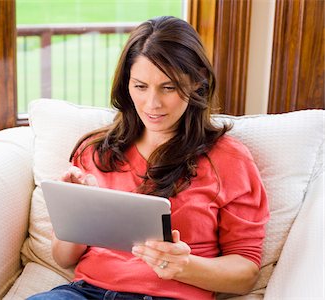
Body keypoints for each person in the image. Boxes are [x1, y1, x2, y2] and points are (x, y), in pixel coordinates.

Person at [29, 16, 269, 300]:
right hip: (84, 293)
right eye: (140, 86)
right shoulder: (96, 150)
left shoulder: (228, 159)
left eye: (168, 87)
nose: (152, 103)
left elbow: (246, 272)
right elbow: (64, 258)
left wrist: (184, 266)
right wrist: (75, 210)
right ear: (126, 86)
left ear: (196, 82)